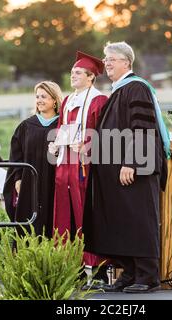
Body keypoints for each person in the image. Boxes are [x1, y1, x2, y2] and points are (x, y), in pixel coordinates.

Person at [82, 42, 170, 293]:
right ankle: (129, 273)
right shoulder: (119, 90)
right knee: (122, 223)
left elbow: (142, 128)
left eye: (112, 59)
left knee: (139, 221)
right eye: (105, 58)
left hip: (134, 171)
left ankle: (148, 276)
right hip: (116, 174)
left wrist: (132, 162)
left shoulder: (137, 88)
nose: (106, 62)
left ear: (127, 63)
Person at [49, 51, 108, 283]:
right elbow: (63, 127)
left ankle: (98, 267)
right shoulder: (67, 100)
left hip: (85, 166)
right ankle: (70, 265)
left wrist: (87, 145)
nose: (72, 76)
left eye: (78, 73)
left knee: (86, 213)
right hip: (65, 163)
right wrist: (55, 143)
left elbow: (103, 132)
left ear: (91, 77)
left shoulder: (98, 99)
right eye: (72, 72)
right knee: (64, 215)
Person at [3, 81, 62, 238]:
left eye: (44, 96)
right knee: (28, 223)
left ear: (55, 100)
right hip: (29, 182)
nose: (39, 100)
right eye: (37, 97)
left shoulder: (62, 125)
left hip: (53, 182)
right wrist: (17, 179)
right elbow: (16, 156)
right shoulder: (26, 126)